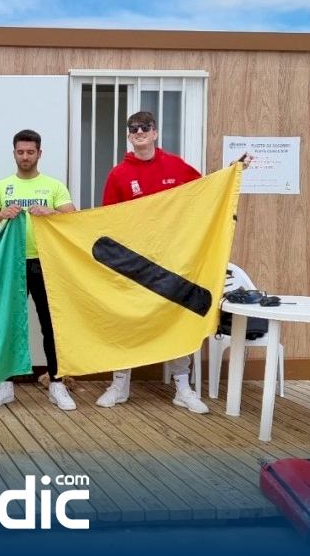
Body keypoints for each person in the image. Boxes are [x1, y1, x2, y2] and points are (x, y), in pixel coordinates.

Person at [95, 110, 250, 414]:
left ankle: (182, 387)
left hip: (174, 260)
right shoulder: (118, 175)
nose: (139, 132)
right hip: (134, 262)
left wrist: (232, 171)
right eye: (133, 128)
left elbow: (207, 192)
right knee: (126, 319)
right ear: (129, 136)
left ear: (155, 133)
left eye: (145, 127)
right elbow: (108, 218)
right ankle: (120, 384)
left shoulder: (176, 166)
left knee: (178, 318)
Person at [0, 129, 77, 412]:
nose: (25, 157)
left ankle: (56, 384)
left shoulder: (53, 186)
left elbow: (74, 219)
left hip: (46, 263)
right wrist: (1, 214)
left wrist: (51, 213)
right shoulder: (1, 186)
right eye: (20, 152)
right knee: (8, 323)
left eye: (30, 152)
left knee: (51, 324)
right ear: (14, 154)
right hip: (12, 264)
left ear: (39, 154)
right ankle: (5, 384)